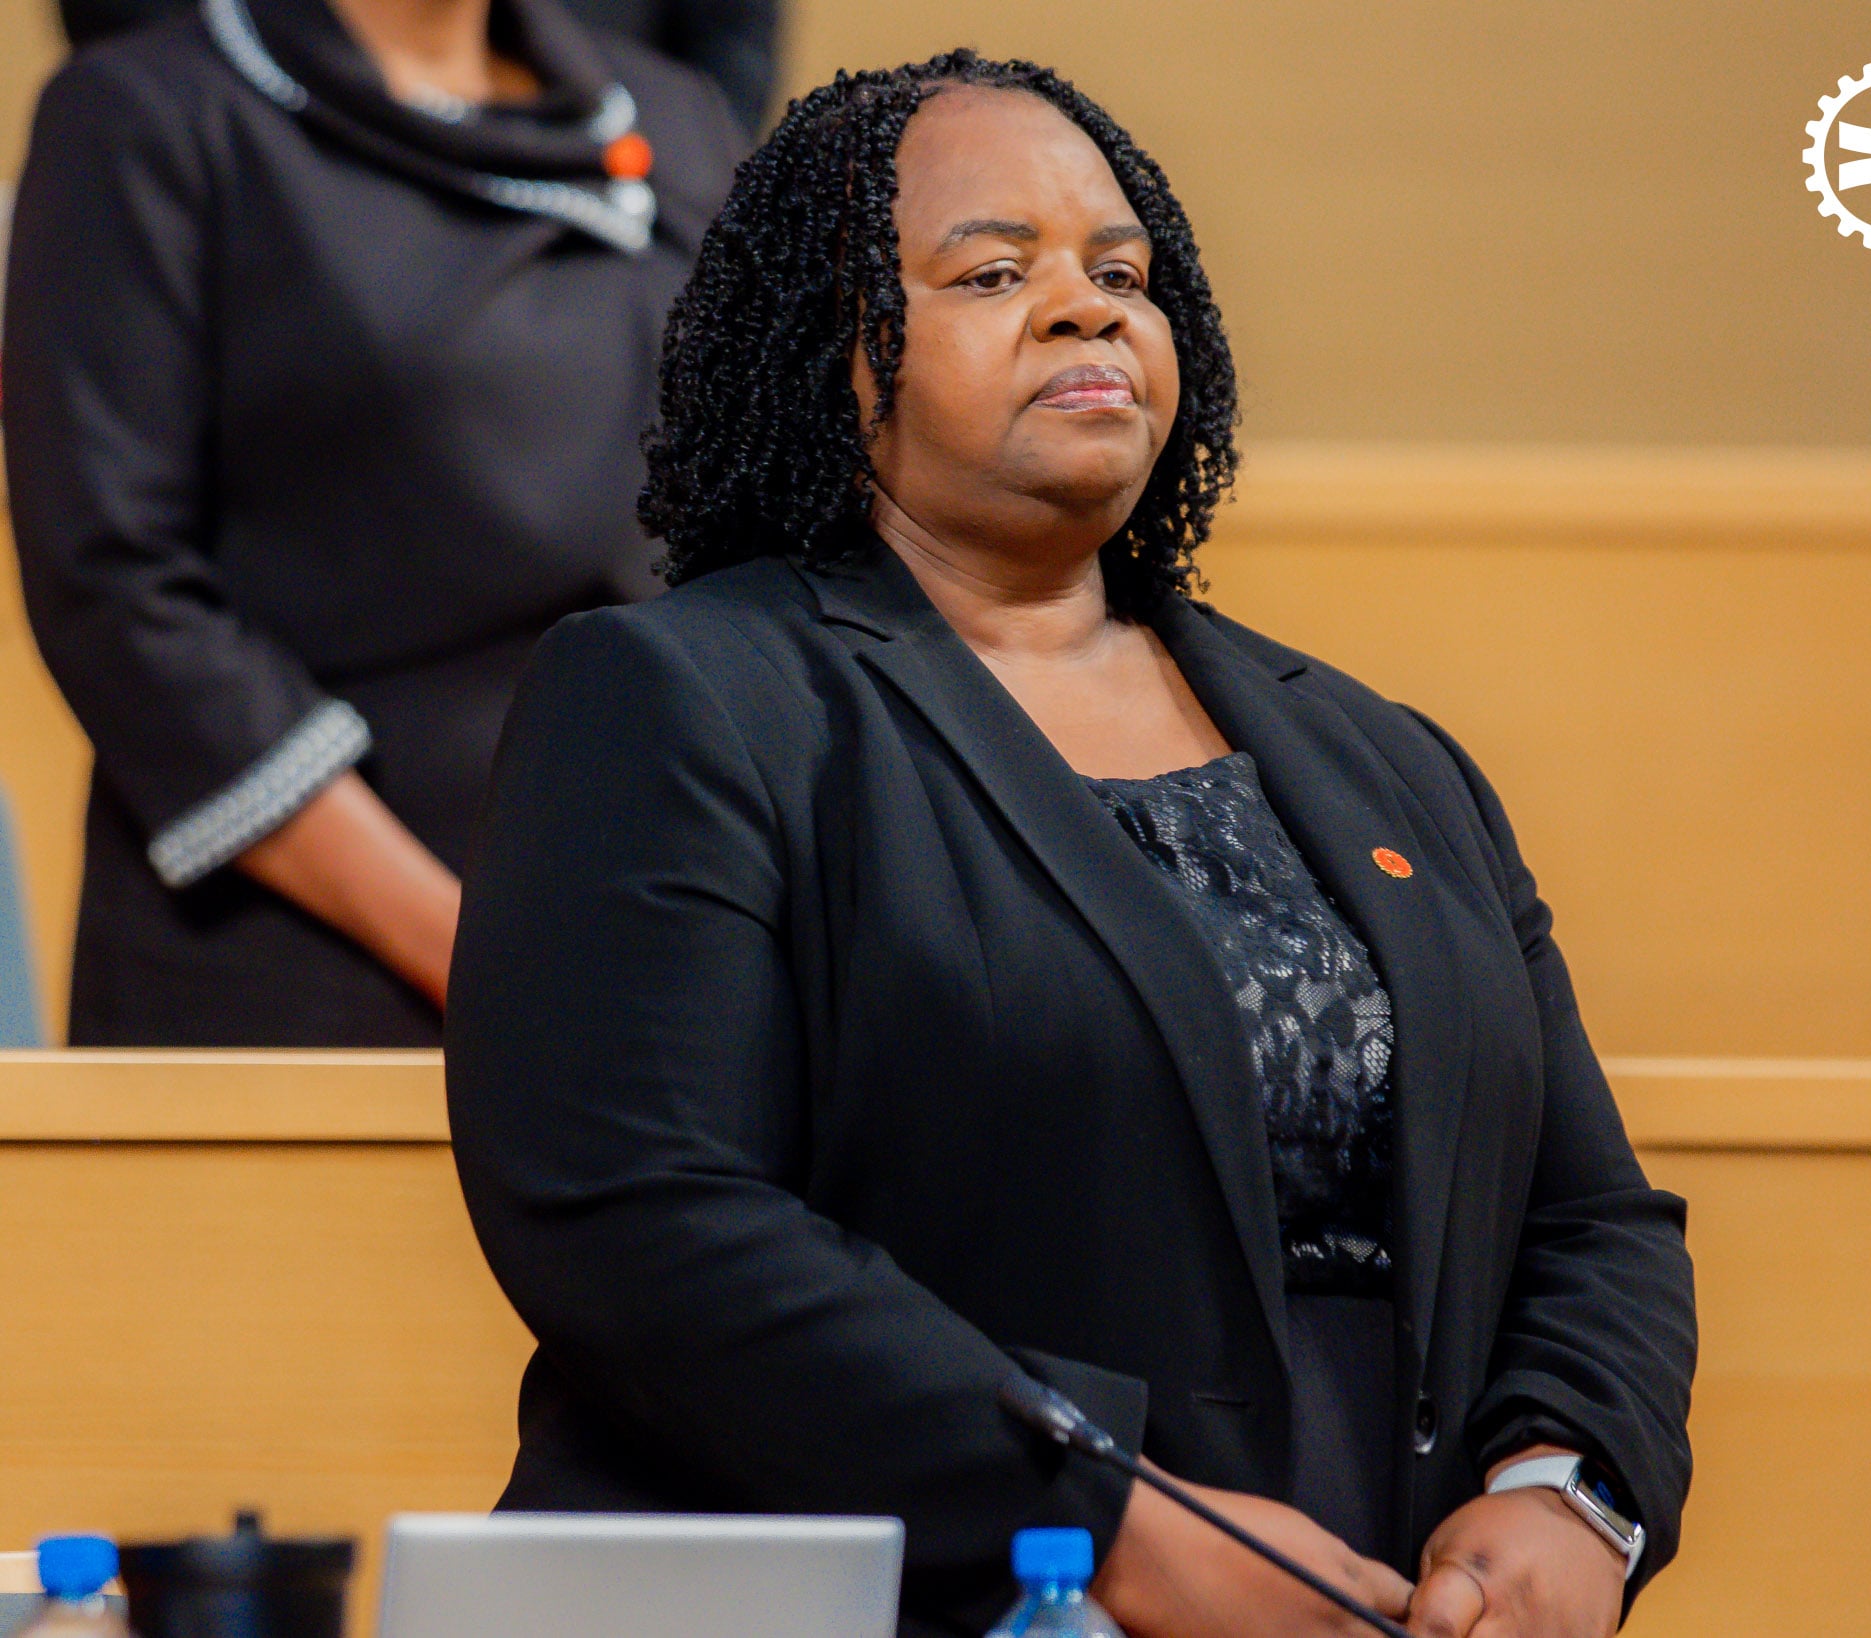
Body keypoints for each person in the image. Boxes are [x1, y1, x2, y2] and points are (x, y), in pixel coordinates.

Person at [444, 49, 1697, 1638]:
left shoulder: (1385, 756)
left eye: (1121, 274)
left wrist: (1569, 1486)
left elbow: (1591, 1219)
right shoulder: (686, 697)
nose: (1083, 309)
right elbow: (639, 1217)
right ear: (840, 351)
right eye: (992, 273)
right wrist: (1103, 1519)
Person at [4, 0, 747, 1044]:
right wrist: (474, 955)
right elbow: (115, 586)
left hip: (660, 934)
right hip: (311, 958)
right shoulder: (149, 114)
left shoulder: (673, 113)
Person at [51, 0, 779, 134]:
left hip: (608, 154)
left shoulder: (677, 122)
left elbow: (733, 43)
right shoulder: (145, 112)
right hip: (269, 141)